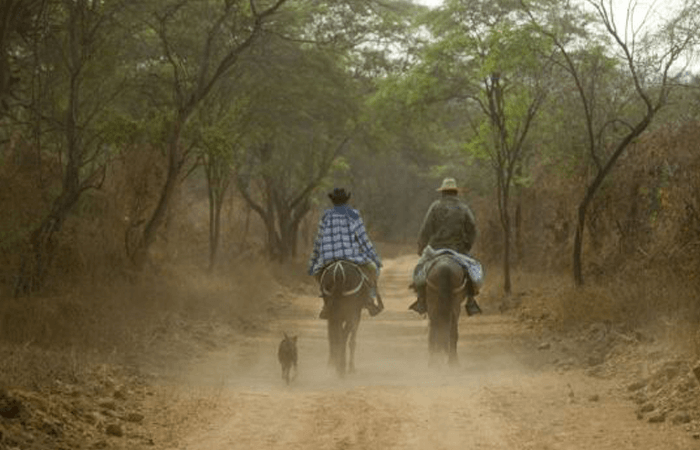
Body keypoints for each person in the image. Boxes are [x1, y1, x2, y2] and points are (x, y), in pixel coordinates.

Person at [409, 177, 482, 316]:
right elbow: (472, 229)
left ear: (443, 192)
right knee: (473, 270)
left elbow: (425, 230)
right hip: (458, 250)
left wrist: (421, 247)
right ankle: (471, 301)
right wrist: (467, 245)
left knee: (419, 270)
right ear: (455, 192)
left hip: (436, 249)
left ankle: (421, 299)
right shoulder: (463, 208)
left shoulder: (435, 207)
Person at [308, 188, 383, 320]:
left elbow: (318, 240)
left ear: (333, 201)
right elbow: (363, 240)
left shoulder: (326, 215)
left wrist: (313, 261)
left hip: (328, 258)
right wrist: (375, 259)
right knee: (372, 270)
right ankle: (369, 300)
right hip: (351, 256)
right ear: (346, 200)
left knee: (317, 273)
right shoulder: (354, 214)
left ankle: (326, 301)